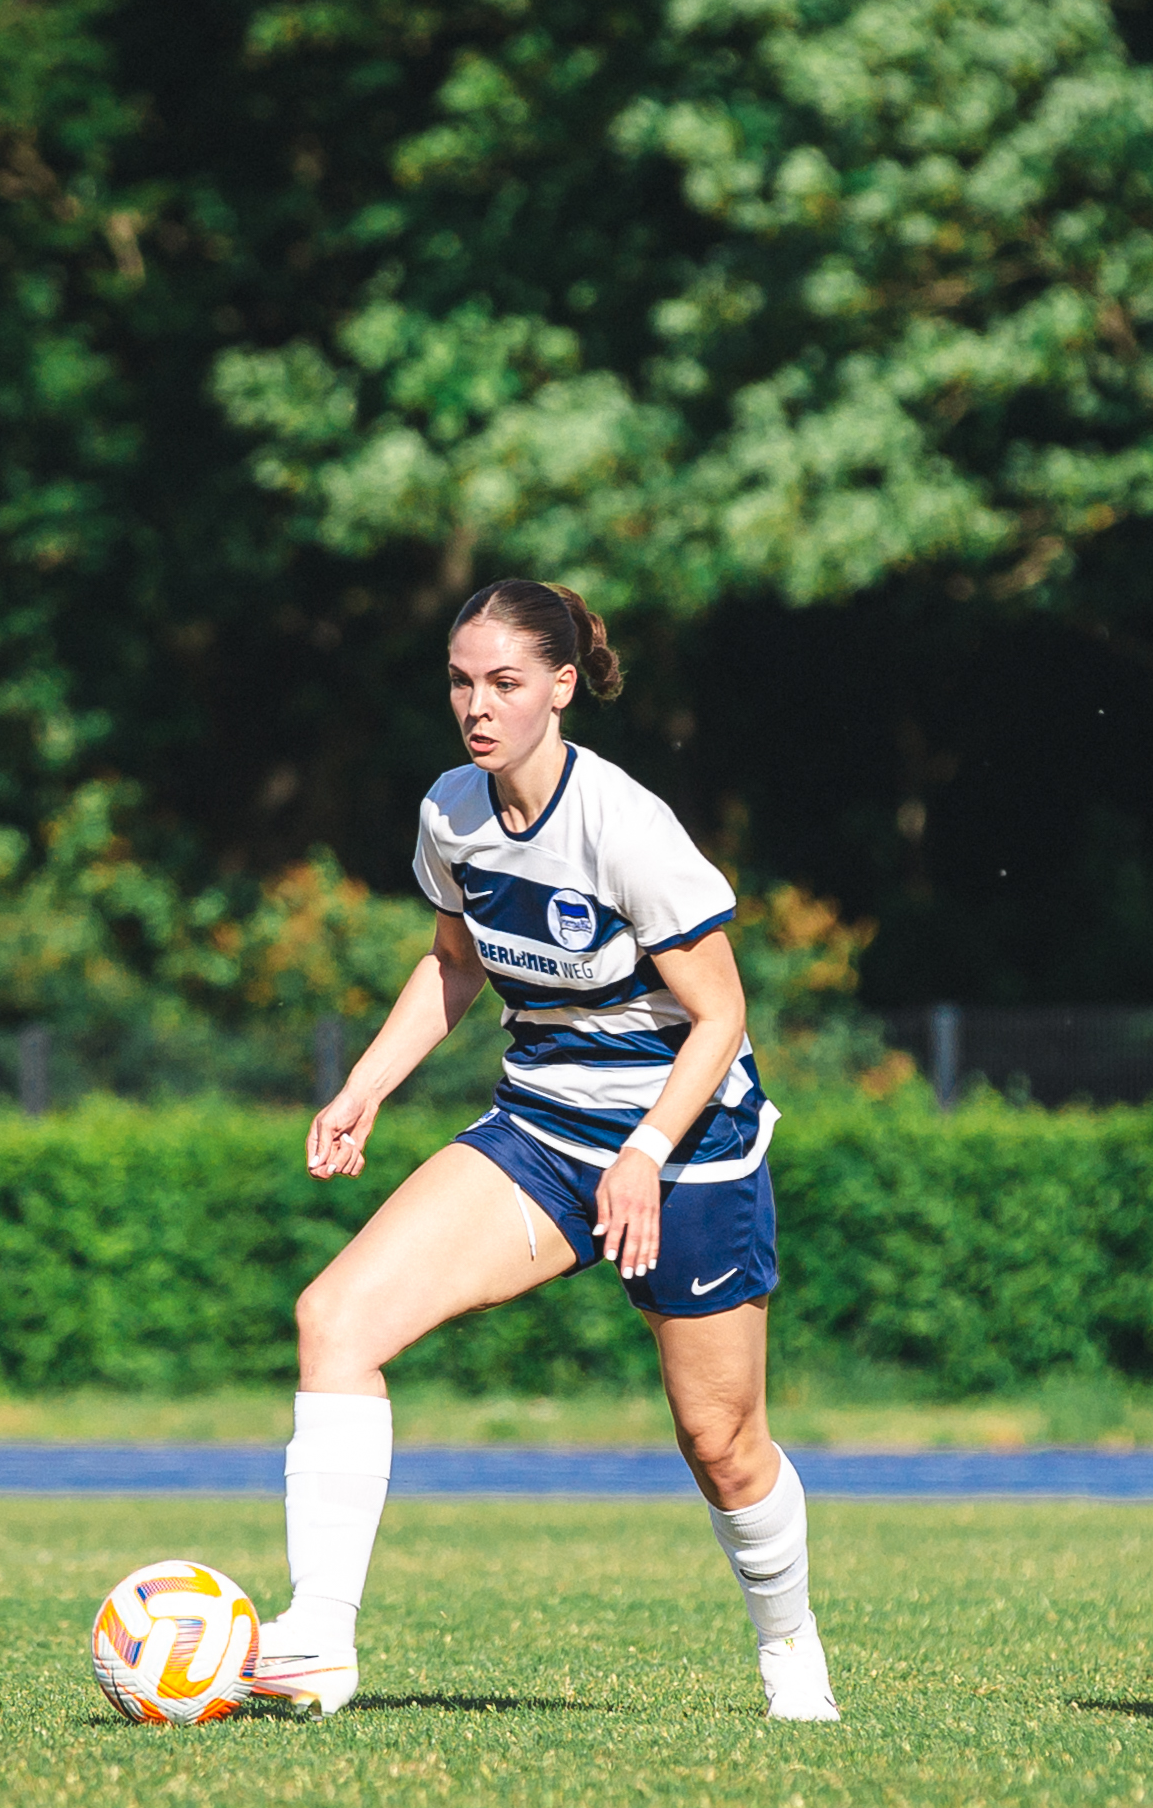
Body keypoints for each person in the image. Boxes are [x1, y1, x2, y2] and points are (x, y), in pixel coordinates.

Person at [260, 580, 835, 1722]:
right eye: (463, 683)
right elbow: (455, 961)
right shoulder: (450, 811)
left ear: (562, 689)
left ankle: (792, 1651)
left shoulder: (625, 825)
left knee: (720, 1443)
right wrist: (365, 1089)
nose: (478, 706)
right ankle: (318, 1642)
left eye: (506, 683)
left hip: (691, 1150)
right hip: (539, 1131)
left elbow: (720, 1017)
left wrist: (648, 1150)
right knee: (335, 1320)